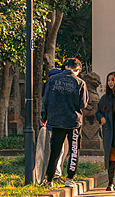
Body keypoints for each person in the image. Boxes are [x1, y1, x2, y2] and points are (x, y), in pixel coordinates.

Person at [40, 58, 88, 189]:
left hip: (56, 121)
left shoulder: (52, 80)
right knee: (73, 150)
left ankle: (49, 179)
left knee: (55, 151)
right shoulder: (80, 82)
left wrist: (44, 117)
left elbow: (46, 100)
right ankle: (69, 178)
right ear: (77, 69)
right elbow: (83, 104)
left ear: (66, 66)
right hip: (74, 122)